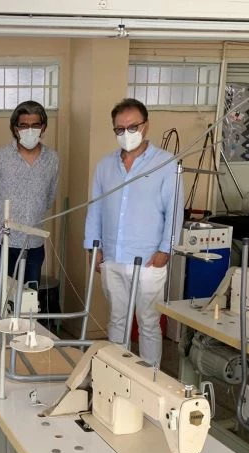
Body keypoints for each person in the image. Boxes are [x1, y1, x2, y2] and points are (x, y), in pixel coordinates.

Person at [84, 98, 183, 367]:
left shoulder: (166, 164)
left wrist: (165, 250)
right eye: (119, 129)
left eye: (132, 127)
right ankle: (117, 373)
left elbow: (174, 210)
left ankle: (149, 378)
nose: (126, 133)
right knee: (117, 319)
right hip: (112, 257)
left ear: (145, 126)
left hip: (149, 259)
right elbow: (95, 208)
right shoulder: (105, 166)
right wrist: (93, 247)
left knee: (148, 322)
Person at [0, 100, 58, 287]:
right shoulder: (0, 157)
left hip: (34, 244)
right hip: (1, 243)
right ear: (15, 128)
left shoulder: (52, 159)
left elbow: (49, 197)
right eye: (24, 125)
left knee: (29, 299)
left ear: (43, 127)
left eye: (35, 125)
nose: (30, 130)